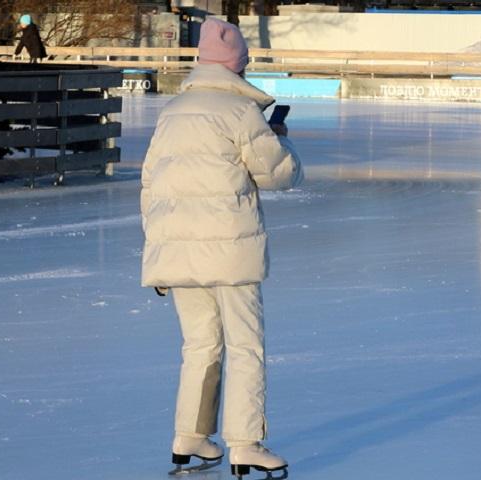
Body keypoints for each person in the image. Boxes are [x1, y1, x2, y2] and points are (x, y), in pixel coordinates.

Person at [140, 17, 301, 479]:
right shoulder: (240, 114)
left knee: (200, 345)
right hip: (231, 254)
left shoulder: (171, 112)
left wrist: (158, 253)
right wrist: (281, 142)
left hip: (177, 254)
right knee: (245, 345)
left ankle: (190, 436)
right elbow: (279, 175)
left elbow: (150, 188)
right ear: (235, 66)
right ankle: (246, 444)